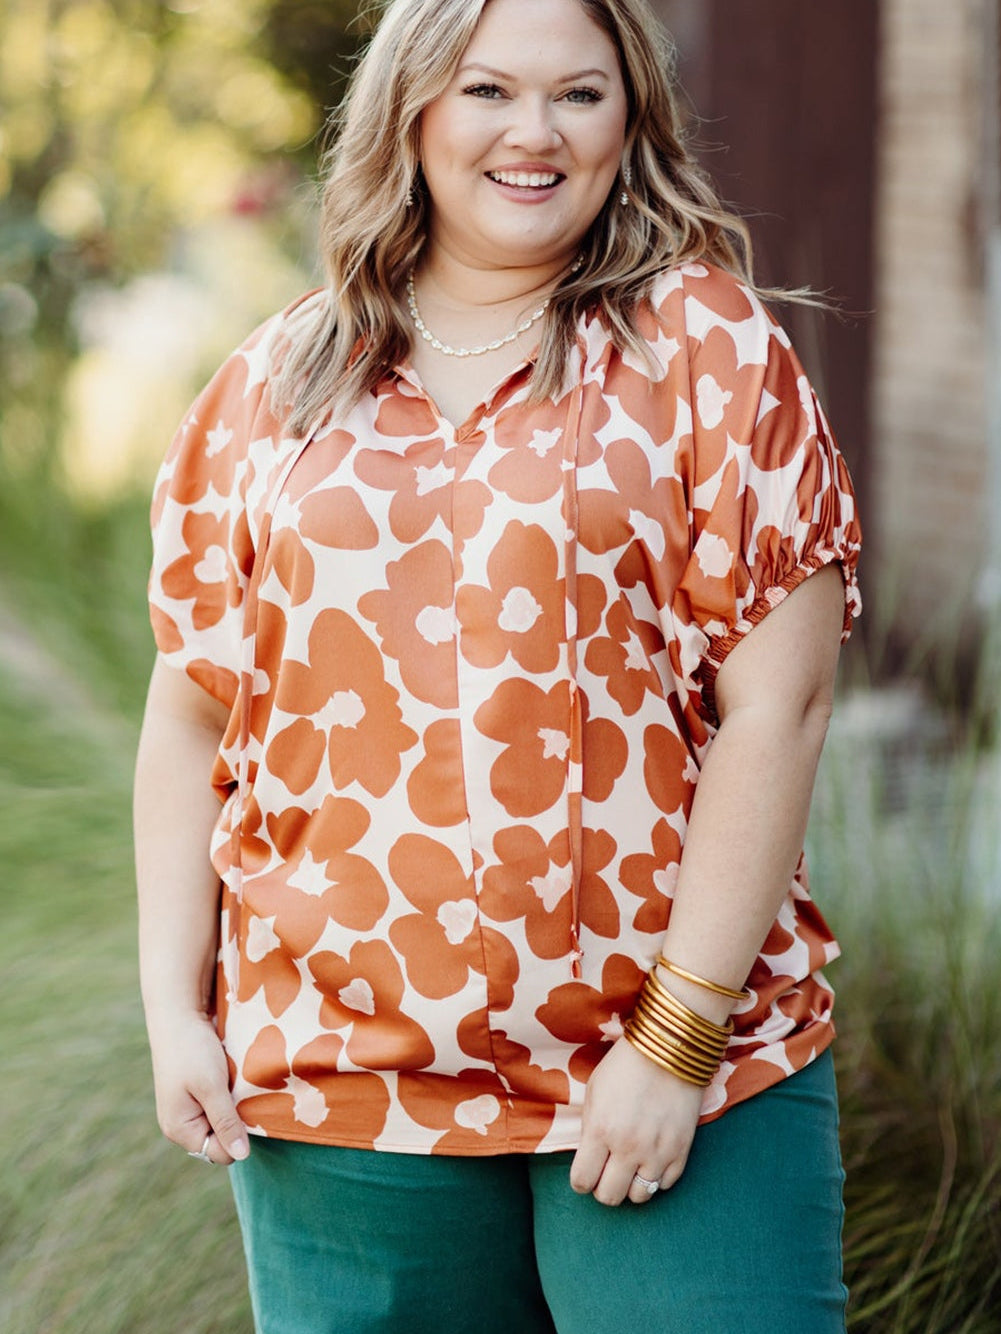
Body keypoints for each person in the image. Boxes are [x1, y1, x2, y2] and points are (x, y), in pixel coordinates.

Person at [133, 0, 862, 1330]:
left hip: (672, 1075)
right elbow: (192, 709)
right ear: (410, 107)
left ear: (628, 121)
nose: (534, 134)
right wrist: (175, 1010)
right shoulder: (275, 382)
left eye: (579, 96)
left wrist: (675, 1041)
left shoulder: (703, 350)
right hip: (339, 1089)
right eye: (488, 92)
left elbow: (783, 704)